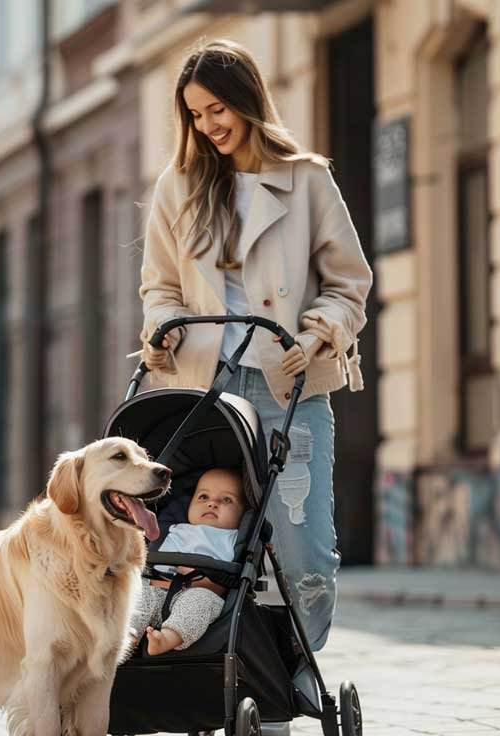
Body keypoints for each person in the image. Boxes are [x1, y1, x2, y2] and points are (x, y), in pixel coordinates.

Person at [137, 39, 373, 657]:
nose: (208, 124)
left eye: (218, 108)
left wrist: (316, 330)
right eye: (194, 114)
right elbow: (159, 286)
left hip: (287, 389)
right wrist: (164, 327)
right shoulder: (177, 186)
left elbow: (351, 284)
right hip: (201, 389)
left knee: (306, 554)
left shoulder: (306, 179)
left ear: (247, 100)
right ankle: (212, 671)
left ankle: (292, 677)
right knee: (197, 546)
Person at [129, 468, 246, 656]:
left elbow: (222, 585)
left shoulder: (234, 538)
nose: (212, 504)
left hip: (199, 592)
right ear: (189, 505)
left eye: (226, 500)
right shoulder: (175, 529)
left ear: (242, 514)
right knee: (138, 592)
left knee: (202, 601)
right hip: (158, 590)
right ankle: (129, 635)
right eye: (203, 497)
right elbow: (152, 567)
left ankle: (168, 637)